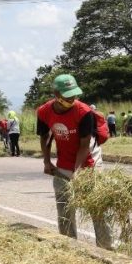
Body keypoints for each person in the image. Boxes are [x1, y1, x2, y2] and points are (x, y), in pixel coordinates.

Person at [37, 74, 112, 250]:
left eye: (74, 95)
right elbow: (45, 137)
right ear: (56, 94)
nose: (72, 98)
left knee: (97, 206)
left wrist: (77, 172)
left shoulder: (84, 112)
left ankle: (106, 248)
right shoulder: (44, 112)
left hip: (89, 161)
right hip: (64, 161)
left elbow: (85, 145)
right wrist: (46, 162)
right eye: (67, 95)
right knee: (64, 207)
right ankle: (69, 246)